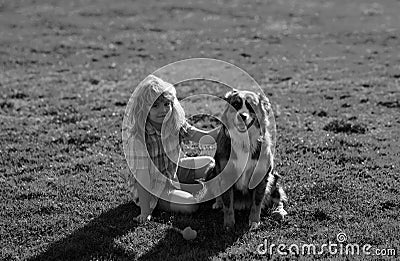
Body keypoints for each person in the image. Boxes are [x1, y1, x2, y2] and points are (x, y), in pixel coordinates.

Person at [122, 75, 220, 223]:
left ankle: (191, 188)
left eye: (167, 104)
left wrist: (226, 129)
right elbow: (142, 179)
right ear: (144, 109)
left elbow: (203, 137)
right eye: (155, 106)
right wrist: (145, 211)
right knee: (191, 205)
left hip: (173, 171)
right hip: (154, 188)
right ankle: (176, 196)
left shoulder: (174, 123)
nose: (163, 110)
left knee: (209, 164)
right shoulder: (138, 139)